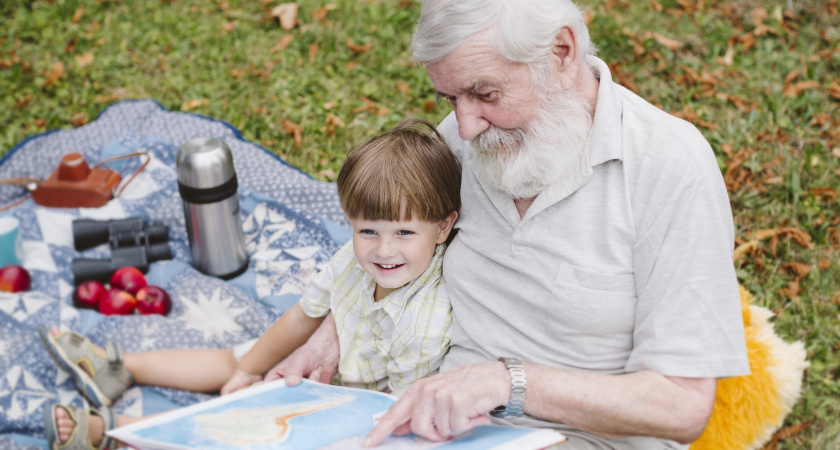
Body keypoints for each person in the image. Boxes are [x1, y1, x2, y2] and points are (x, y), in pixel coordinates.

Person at [274, 1, 750, 449]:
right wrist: (335, 334)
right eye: (449, 96)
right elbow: (398, 246)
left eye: (486, 93)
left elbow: (682, 406)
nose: (465, 127)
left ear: (561, 52)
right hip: (429, 418)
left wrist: (507, 381)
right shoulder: (467, 137)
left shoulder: (668, 166)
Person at [40, 118, 462, 449]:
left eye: (404, 234)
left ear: (443, 228)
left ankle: (110, 430)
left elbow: (394, 414)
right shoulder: (350, 261)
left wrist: (269, 399)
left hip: (342, 407)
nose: (384, 250)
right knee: (235, 357)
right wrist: (246, 370)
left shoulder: (426, 320)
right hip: (314, 364)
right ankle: (117, 367)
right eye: (368, 231)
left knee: (241, 431)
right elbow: (300, 318)